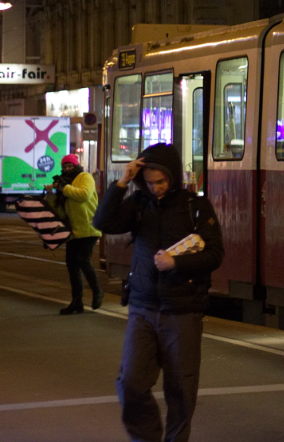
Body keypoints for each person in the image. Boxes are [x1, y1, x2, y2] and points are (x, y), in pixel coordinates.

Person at [93, 143, 224, 442]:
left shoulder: (196, 206)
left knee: (180, 389)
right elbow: (102, 222)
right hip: (143, 307)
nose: (156, 188)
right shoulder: (139, 203)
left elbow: (215, 254)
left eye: (161, 181)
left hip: (183, 310)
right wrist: (122, 181)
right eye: (149, 183)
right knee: (131, 383)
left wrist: (175, 262)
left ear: (173, 177)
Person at [46, 153, 103, 314]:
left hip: (88, 227)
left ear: (76, 166)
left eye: (70, 166)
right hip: (72, 230)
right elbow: (58, 209)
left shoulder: (85, 177)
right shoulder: (63, 184)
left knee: (83, 260)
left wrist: (64, 189)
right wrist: (51, 194)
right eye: (65, 167)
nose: (68, 169)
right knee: (72, 264)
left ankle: (98, 291)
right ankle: (77, 301)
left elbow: (84, 194)